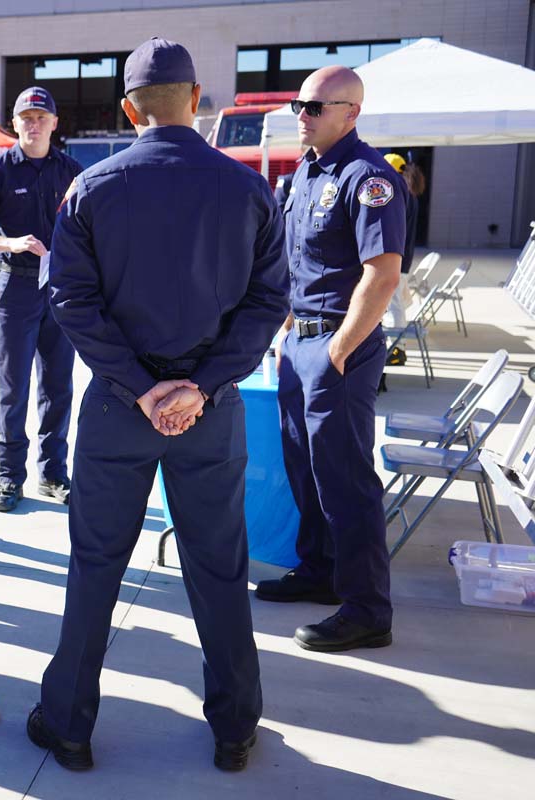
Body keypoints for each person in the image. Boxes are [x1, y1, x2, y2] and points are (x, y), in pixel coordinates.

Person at [29, 38, 289, 774]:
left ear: (127, 108)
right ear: (198, 99)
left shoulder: (93, 187)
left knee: (95, 565)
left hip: (119, 410)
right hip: (209, 411)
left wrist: (141, 387)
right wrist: (199, 386)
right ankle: (236, 725)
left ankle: (69, 723)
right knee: (217, 566)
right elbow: (269, 300)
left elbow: (70, 299)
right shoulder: (247, 189)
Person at [254, 66, 406, 654]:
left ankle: (368, 609)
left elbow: (382, 273)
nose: (302, 115)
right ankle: (319, 570)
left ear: (351, 113)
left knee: (346, 479)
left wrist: (339, 349)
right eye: (299, 105)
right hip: (301, 342)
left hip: (339, 347)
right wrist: (291, 327)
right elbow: (300, 261)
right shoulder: (307, 174)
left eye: (315, 107)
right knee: (305, 465)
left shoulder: (367, 178)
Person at [0, 86, 82, 513]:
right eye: (25, 117)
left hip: (61, 292)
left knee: (58, 386)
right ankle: (10, 477)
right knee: (14, 389)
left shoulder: (70, 171)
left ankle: (52, 473)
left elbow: (91, 230)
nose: (33, 124)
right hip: (16, 289)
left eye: (40, 117)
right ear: (14, 123)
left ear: (54, 123)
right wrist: (7, 242)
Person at [381, 153, 421, 359]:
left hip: (397, 258)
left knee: (393, 304)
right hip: (403, 258)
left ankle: (397, 349)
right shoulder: (409, 193)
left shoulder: (401, 194)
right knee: (395, 303)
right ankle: (398, 347)